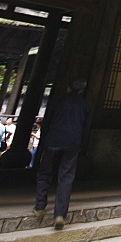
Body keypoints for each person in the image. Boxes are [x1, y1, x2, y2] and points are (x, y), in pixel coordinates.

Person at [33, 77, 92, 230]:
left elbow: (46, 123)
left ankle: (40, 206)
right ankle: (60, 214)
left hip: (52, 141)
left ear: (68, 88)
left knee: (45, 172)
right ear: (82, 91)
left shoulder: (57, 102)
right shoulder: (85, 105)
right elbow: (86, 129)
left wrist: (44, 141)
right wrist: (82, 146)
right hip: (73, 143)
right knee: (66, 177)